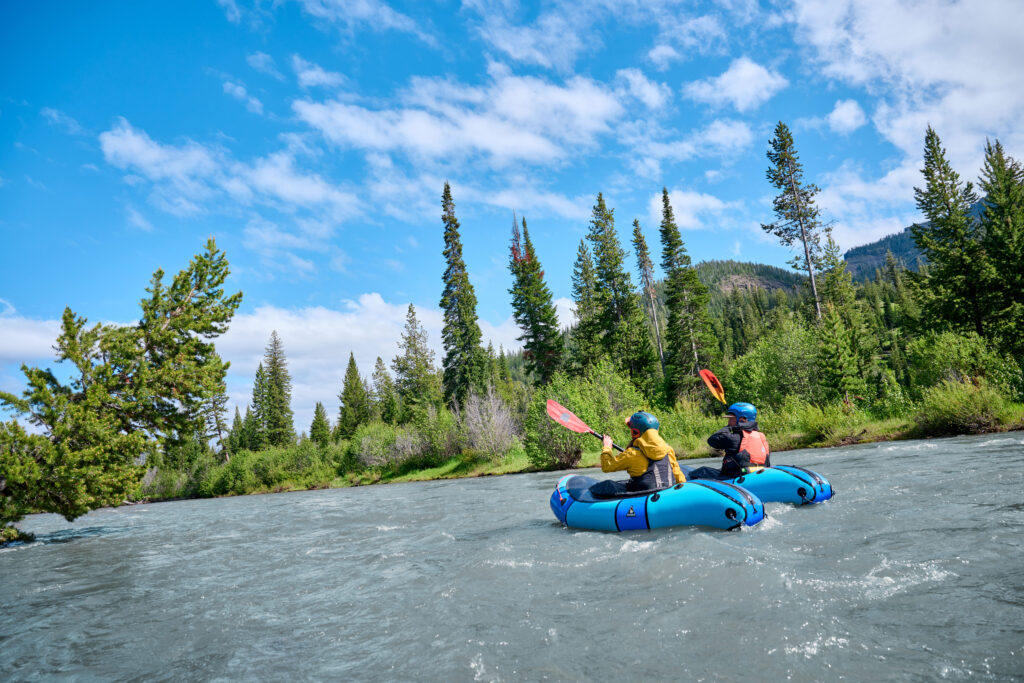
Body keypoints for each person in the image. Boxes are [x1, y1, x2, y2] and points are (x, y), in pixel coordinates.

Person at [589, 411, 685, 498]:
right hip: (668, 495)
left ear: (636, 432)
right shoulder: (668, 450)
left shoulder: (632, 454)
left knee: (606, 486)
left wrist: (607, 447)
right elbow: (679, 478)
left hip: (643, 500)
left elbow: (607, 466)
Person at [684, 402, 770, 481]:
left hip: (734, 479)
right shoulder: (761, 437)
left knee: (702, 471)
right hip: (754, 476)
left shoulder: (734, 438)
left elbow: (712, 440)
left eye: (731, 419)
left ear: (742, 419)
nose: (729, 422)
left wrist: (730, 427)